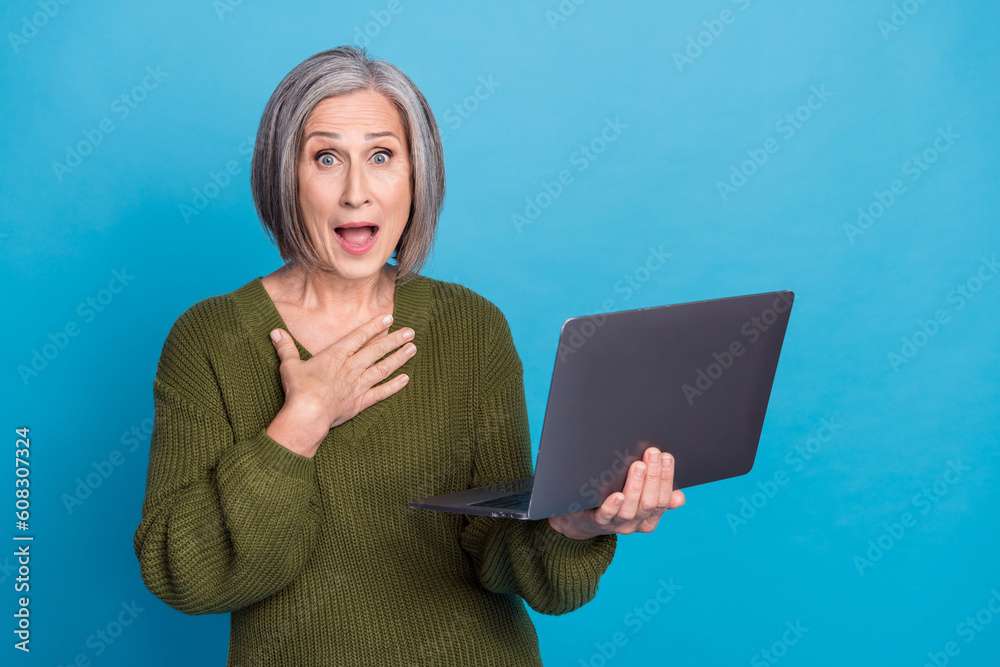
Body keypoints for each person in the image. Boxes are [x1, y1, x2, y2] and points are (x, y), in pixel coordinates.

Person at [133, 46, 685, 666]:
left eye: (380, 156)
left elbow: (498, 556)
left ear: (417, 174)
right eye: (325, 158)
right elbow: (185, 576)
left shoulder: (470, 327)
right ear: (282, 175)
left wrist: (573, 525)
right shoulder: (209, 339)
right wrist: (301, 422)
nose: (356, 192)